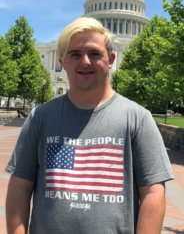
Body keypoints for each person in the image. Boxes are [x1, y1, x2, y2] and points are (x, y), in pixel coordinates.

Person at [6, 17, 173, 234]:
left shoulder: (137, 118)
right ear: (62, 60)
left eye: (94, 54)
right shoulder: (40, 117)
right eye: (75, 54)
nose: (85, 62)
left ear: (111, 59)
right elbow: (20, 185)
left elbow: (153, 192)